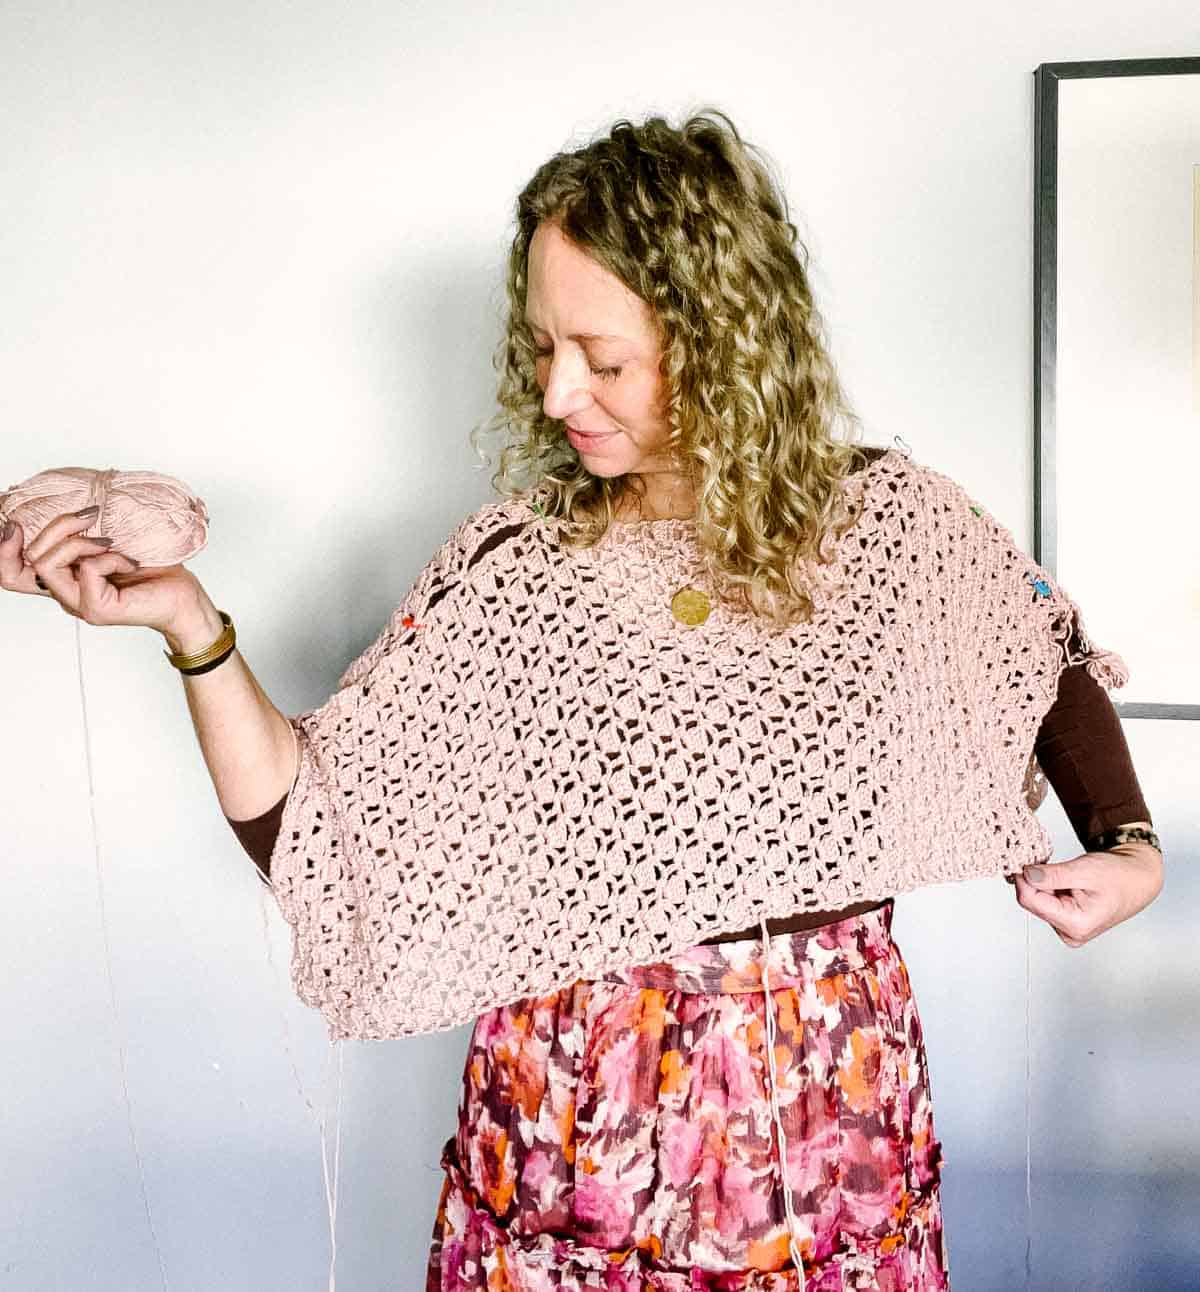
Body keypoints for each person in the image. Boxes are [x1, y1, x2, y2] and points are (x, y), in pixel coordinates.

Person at [1, 109, 1163, 1289]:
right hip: (564, 1141)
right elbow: (315, 829)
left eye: (603, 359)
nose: (559, 392)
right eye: (545, 346)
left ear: (725, 341)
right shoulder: (516, 568)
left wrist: (1128, 845)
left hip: (822, 1128)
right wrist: (191, 625)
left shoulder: (892, 526)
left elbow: (1038, 653)